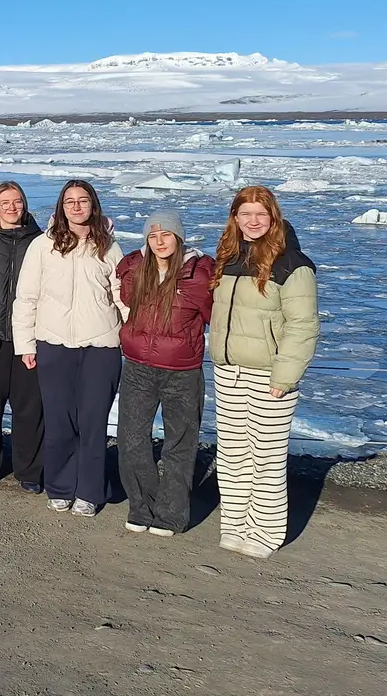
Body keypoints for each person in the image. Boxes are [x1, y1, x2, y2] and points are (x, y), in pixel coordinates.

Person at [209, 185, 319, 558]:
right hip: (229, 371)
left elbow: (303, 326)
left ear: (273, 218)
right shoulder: (228, 259)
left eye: (260, 214)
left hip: (269, 375)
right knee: (232, 454)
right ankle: (235, 524)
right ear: (235, 219)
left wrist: (284, 377)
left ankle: (266, 532)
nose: (252, 221)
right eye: (245, 214)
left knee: (266, 456)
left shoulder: (293, 265)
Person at [12, 179, 124, 517]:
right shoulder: (43, 246)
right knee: (59, 420)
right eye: (70, 201)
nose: (76, 207)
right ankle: (60, 486)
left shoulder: (108, 246)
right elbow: (26, 297)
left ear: (93, 205)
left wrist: (133, 335)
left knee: (92, 421)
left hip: (101, 345)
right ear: (61, 207)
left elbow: (121, 296)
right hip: (53, 343)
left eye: (83, 200)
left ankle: (90, 491)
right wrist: (25, 344)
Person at [113, 209, 214, 536]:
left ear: (178, 237)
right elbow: (124, 297)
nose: (159, 241)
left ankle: (171, 515)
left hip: (182, 370)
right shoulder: (134, 270)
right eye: (153, 236)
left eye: (166, 234)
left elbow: (216, 314)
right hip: (138, 366)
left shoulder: (198, 274)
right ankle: (142, 506)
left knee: (180, 444)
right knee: (131, 439)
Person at [0, 181, 45, 493]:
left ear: (24, 204)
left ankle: (29, 470)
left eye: (17, 201)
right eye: (5, 203)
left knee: (29, 407)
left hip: (28, 336)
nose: (12, 207)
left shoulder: (41, 241)